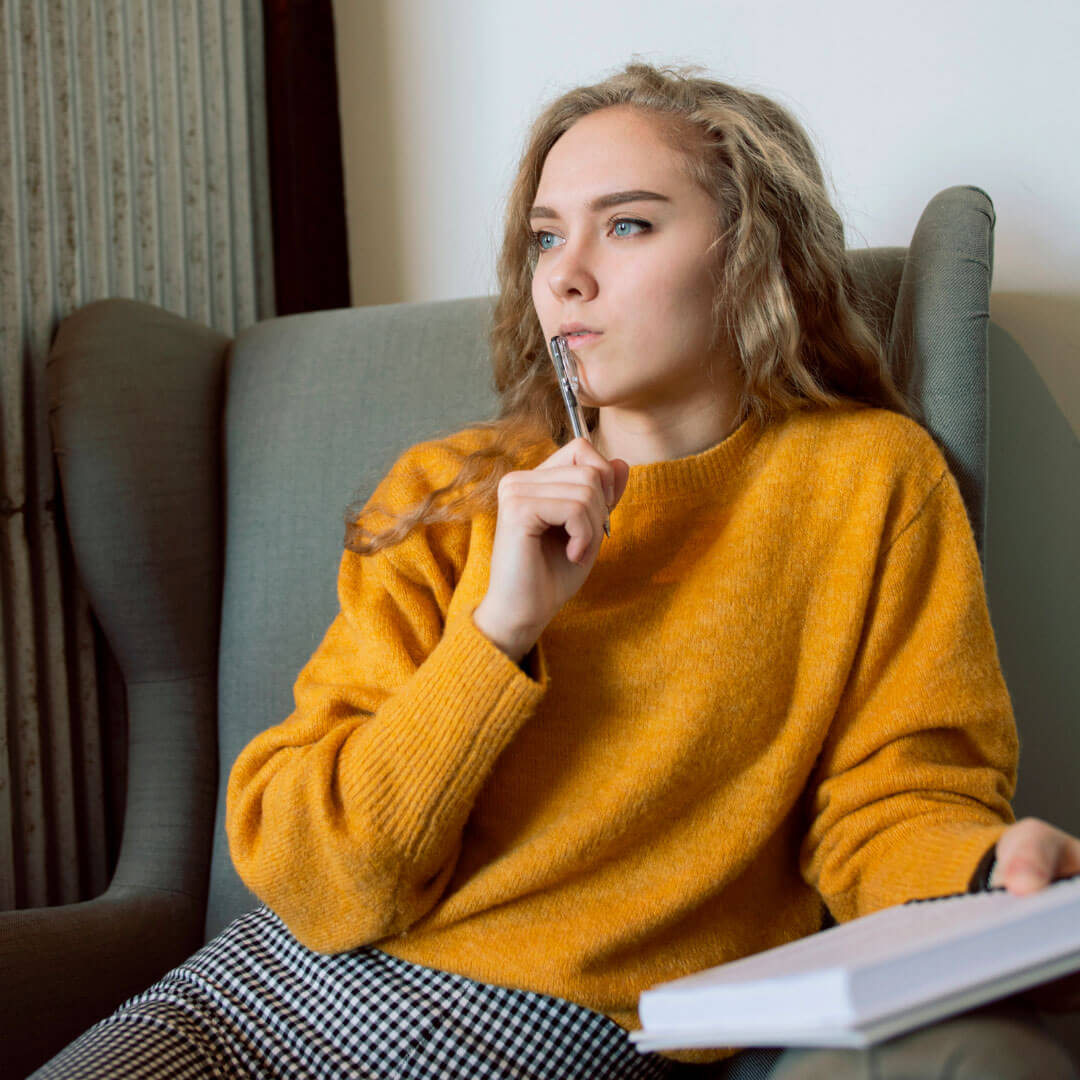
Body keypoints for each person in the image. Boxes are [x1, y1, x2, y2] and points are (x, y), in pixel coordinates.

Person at [33, 60, 1080, 1080]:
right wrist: (494, 637)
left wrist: (987, 876)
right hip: (266, 995)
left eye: (627, 224)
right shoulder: (443, 494)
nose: (565, 274)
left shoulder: (868, 481)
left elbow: (893, 802)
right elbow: (315, 875)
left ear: (751, 252)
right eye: (545, 237)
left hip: (554, 1030)